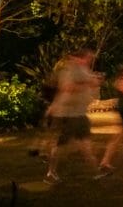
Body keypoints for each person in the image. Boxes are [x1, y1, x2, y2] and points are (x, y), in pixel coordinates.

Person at [44, 49, 104, 184]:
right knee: (60, 146)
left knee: (85, 144)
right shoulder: (69, 71)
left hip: (80, 114)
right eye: (88, 58)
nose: (90, 60)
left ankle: (96, 171)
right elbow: (67, 87)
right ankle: (50, 173)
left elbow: (91, 88)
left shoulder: (85, 70)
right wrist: (88, 83)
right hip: (66, 114)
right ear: (78, 58)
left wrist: (94, 83)